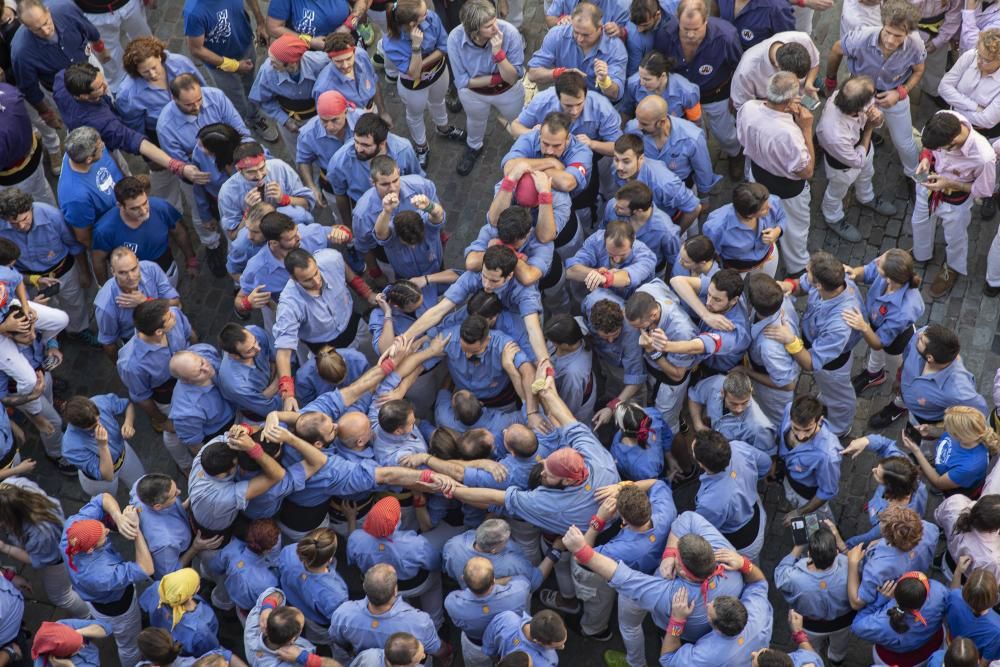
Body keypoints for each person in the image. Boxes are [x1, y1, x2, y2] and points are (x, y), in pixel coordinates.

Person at [764, 251, 864, 437]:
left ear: (819, 284)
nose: (805, 270)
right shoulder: (832, 281)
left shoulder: (839, 324)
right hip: (818, 348)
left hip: (831, 365)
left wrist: (790, 340)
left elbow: (811, 363)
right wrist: (789, 285)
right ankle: (827, 397)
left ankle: (840, 426)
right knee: (829, 390)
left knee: (840, 396)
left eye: (808, 271)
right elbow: (803, 284)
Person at [827, 0, 924, 179]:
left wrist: (901, 92)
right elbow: (837, 48)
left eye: (898, 36)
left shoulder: (915, 44)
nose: (889, 41)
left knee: (904, 142)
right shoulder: (861, 37)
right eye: (887, 32)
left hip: (894, 94)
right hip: (860, 94)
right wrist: (831, 81)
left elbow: (918, 70)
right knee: (854, 131)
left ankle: (914, 176)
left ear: (908, 33)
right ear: (882, 24)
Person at [653, 0, 745, 180]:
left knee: (726, 134)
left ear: (706, 21)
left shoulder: (726, 37)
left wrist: (737, 94)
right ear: (677, 20)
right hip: (684, 99)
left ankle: (735, 154)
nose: (690, 34)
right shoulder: (665, 34)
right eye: (685, 28)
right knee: (693, 135)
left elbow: (739, 67)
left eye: (696, 29)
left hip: (717, 94)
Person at [737, 71, 819, 272]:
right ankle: (797, 265)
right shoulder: (790, 133)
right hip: (787, 189)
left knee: (762, 217)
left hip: (756, 176)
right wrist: (806, 129)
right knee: (794, 229)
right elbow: (807, 171)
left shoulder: (748, 108)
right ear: (790, 100)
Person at [61, 493, 154, 667]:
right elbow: (146, 568)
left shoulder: (72, 529)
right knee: (129, 645)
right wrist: (135, 529)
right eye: (102, 535)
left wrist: (118, 517)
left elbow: (102, 497)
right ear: (89, 550)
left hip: (95, 599)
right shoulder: (101, 574)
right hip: (118, 609)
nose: (106, 530)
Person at [913, 111, 997, 298]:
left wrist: (951, 184)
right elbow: (929, 148)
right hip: (929, 187)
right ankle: (921, 252)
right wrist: (926, 158)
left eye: (942, 149)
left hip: (955, 200)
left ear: (953, 141)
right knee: (919, 223)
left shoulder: (984, 157)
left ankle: (952, 268)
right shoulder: (941, 118)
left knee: (955, 237)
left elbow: (983, 190)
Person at [0, 187, 93, 342]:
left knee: (75, 304)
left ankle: (78, 331)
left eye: (25, 219)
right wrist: (31, 279)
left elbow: (74, 245)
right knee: (39, 311)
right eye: (14, 223)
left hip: (63, 270)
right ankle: (50, 339)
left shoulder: (52, 216)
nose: (21, 226)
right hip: (27, 279)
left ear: (31, 208)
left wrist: (84, 271)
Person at [382, 0, 466, 168]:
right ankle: (421, 146)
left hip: (438, 73)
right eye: (423, 14)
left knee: (439, 101)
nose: (428, 14)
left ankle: (443, 128)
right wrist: (416, 47)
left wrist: (422, 63)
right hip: (414, 86)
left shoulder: (431, 18)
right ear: (412, 23)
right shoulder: (391, 42)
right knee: (415, 114)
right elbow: (413, 73)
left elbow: (444, 46)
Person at [868, 324, 989, 439]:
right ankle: (899, 408)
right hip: (905, 393)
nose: (918, 335)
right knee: (901, 401)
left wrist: (938, 431)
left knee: (920, 442)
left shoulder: (958, 390)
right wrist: (899, 378)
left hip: (924, 418)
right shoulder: (925, 334)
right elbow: (907, 356)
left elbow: (977, 415)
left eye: (921, 340)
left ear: (930, 358)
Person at [116, 299, 197, 471]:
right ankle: (185, 465)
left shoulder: (173, 312)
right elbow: (142, 397)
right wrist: (162, 421)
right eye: (169, 317)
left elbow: (190, 334)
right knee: (174, 433)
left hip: (192, 377)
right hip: (167, 395)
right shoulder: (131, 363)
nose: (174, 315)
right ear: (159, 331)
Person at [816, 76, 898, 241]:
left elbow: (877, 117)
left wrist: (877, 119)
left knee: (867, 174)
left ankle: (866, 197)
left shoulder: (850, 99)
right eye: (873, 94)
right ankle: (833, 218)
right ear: (858, 107)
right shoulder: (833, 133)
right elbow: (856, 161)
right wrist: (869, 129)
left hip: (863, 148)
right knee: (837, 191)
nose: (875, 97)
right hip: (843, 166)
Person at [448, 0, 525, 175]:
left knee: (519, 121)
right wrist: (496, 78)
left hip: (507, 91)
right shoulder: (455, 38)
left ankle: (525, 147)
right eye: (489, 26)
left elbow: (513, 77)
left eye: (494, 21)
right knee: (475, 121)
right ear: (474, 31)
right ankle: (474, 147)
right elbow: (461, 81)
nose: (496, 28)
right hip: (474, 94)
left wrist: (498, 54)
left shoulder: (510, 33)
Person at [181, 0, 275, 141]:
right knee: (235, 100)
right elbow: (196, 49)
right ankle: (239, 126)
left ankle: (254, 117)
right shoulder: (193, 12)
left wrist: (261, 22)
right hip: (221, 65)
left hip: (246, 45)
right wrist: (234, 66)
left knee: (252, 86)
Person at [0, 478, 90, 617]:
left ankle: (86, 614)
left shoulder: (40, 534)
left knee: (61, 596)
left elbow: (40, 559)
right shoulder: (13, 485)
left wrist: (5, 548)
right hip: (63, 539)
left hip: (57, 558)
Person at [9, 0, 104, 125]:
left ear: (48, 11)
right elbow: (29, 89)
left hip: (89, 65)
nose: (46, 31)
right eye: (37, 29)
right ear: (25, 26)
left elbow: (88, 28)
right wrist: (47, 114)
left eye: (46, 23)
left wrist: (101, 48)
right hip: (65, 91)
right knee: (84, 124)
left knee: (106, 98)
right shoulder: (21, 53)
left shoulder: (66, 8)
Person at [843, 249, 924, 395]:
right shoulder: (891, 270)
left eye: (880, 264)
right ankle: (874, 374)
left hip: (896, 344)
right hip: (877, 328)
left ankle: (903, 400)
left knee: (900, 372)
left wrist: (863, 327)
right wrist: (855, 273)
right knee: (876, 355)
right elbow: (868, 271)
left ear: (889, 278)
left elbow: (879, 342)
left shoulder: (903, 311)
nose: (876, 261)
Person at [328, 564, 447, 663]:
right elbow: (435, 648)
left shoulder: (342, 614)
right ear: (395, 590)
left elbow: (338, 641)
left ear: (364, 586)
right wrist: (447, 652)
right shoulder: (419, 621)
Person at [91, 176, 198, 286]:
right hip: (133, 282)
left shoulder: (161, 208)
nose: (143, 211)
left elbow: (179, 233)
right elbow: (98, 260)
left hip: (166, 268)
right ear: (120, 206)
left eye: (145, 203)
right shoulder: (104, 230)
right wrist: (105, 288)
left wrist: (191, 260)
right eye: (134, 208)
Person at [939, 31, 1000, 220]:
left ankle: (991, 193)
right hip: (956, 123)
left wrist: (957, 106)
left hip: (987, 135)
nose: (980, 62)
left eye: (987, 60)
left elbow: (988, 120)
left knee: (989, 167)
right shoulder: (970, 57)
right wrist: (974, 106)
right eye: (979, 55)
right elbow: (943, 87)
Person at [774, 527, 854, 666]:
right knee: (839, 646)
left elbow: (779, 574)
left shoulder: (793, 577)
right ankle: (836, 659)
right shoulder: (849, 565)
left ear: (809, 554)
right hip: (844, 621)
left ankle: (814, 660)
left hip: (810, 625)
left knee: (811, 648)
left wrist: (798, 548)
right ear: (836, 552)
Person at [690, 429, 770, 559]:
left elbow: (702, 529)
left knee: (748, 569)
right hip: (757, 512)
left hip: (744, 544)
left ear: (701, 464)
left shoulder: (710, 503)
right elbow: (765, 463)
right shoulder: (738, 447)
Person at [526, 2, 627, 102]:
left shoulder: (616, 48)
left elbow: (616, 94)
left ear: (600, 28)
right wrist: (559, 73)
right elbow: (532, 74)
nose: (580, 39)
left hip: (596, 106)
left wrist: (605, 81)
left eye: (586, 35)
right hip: (564, 99)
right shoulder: (557, 35)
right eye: (576, 32)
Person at [839, 434, 927, 548]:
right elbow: (886, 445)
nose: (873, 470)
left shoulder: (892, 520)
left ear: (890, 487)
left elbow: (869, 537)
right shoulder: (900, 466)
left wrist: (847, 545)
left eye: (877, 474)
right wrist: (866, 441)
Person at [624, 96, 719, 202]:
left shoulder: (692, 137)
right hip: (645, 190)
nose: (639, 126)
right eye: (638, 120)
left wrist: (704, 198)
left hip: (681, 192)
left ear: (662, 122)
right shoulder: (632, 129)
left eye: (644, 124)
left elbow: (703, 170)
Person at [94, 247, 179, 361]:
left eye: (134, 269)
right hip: (139, 345)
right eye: (123, 272)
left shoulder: (151, 269)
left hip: (167, 325)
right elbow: (109, 344)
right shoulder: (106, 306)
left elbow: (177, 304)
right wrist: (122, 368)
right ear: (113, 272)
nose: (131, 277)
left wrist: (146, 301)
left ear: (138, 263)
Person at [848, 505, 939, 609]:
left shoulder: (876, 569)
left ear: (888, 537)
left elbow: (857, 603)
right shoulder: (931, 529)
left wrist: (852, 564)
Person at [248, 34, 329, 150]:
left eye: (275, 62)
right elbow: (261, 100)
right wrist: (284, 120)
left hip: (321, 117)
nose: (270, 64)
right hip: (291, 122)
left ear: (292, 63)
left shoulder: (320, 62)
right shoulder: (268, 71)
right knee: (299, 153)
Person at [851, 571, 948, 666]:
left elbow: (856, 625)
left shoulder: (882, 623)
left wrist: (881, 599)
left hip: (897, 660)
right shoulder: (939, 591)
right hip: (934, 648)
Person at [606, 134, 700, 230]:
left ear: (641, 159)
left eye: (626, 161)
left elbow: (694, 208)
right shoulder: (617, 169)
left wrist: (676, 234)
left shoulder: (664, 183)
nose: (619, 167)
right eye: (616, 159)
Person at [742, 273, 800, 426]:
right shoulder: (781, 301)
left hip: (775, 394)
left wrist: (747, 372)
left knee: (777, 423)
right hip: (780, 366)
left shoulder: (769, 346)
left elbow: (788, 384)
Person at [776, 395, 843, 524]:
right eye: (796, 428)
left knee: (818, 524)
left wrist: (799, 512)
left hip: (808, 496)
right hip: (790, 480)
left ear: (820, 420)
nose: (801, 436)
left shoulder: (827, 455)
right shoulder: (789, 408)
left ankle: (820, 542)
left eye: (807, 430)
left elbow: (827, 490)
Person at [61, 393, 144, 497]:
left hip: (123, 455)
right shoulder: (71, 447)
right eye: (93, 426)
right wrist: (103, 446)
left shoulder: (100, 402)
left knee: (142, 484)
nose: (100, 424)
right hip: (99, 481)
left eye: (98, 418)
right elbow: (108, 476)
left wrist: (128, 423)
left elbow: (127, 405)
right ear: (79, 427)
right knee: (107, 505)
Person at [56, 127, 123, 247]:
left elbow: (112, 164)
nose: (103, 145)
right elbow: (84, 237)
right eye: (100, 147)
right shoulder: (75, 197)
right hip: (114, 232)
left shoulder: (86, 147)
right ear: (88, 159)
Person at [701, 182, 784, 277]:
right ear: (750, 215)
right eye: (764, 209)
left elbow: (782, 217)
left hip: (768, 256)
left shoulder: (770, 201)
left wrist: (777, 231)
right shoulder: (715, 227)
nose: (770, 206)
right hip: (736, 269)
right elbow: (712, 255)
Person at [688, 370, 776, 455]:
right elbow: (694, 396)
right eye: (734, 403)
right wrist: (698, 424)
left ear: (751, 393)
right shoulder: (716, 384)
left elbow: (769, 462)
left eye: (744, 402)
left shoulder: (760, 428)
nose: (739, 409)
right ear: (722, 393)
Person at [168, 346, 237, 453]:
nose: (207, 368)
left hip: (238, 407)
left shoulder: (204, 352)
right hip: (222, 430)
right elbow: (196, 446)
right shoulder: (186, 413)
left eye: (202, 362)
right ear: (186, 380)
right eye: (199, 373)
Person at [729, 31, 819, 111]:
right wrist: (777, 105)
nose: (797, 85)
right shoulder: (746, 72)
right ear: (778, 68)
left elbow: (815, 64)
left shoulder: (803, 39)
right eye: (794, 80)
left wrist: (809, 83)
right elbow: (743, 107)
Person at [139, 568, 220, 657]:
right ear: (190, 596)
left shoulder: (157, 588)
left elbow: (143, 605)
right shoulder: (201, 629)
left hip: (160, 638)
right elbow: (209, 653)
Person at [0, 81, 56, 208]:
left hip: (15, 176)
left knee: (21, 205)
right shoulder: (8, 92)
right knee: (43, 191)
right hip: (32, 153)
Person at [935, 494, 1000, 581]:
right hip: (963, 577)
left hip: (949, 555)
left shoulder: (956, 502)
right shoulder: (992, 559)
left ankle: (937, 562)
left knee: (942, 560)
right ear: (993, 529)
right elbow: (989, 580)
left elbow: (938, 517)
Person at [943, 566, 1000, 660]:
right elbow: (985, 662)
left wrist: (958, 571)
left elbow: (954, 592)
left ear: (964, 590)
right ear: (995, 599)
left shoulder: (955, 598)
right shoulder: (996, 630)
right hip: (971, 660)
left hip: (950, 643)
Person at [482, 610, 566, 666]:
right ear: (537, 641)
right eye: (555, 646)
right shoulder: (543, 663)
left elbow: (488, 644)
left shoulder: (506, 617)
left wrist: (493, 658)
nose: (562, 647)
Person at [29, 619, 113, 666]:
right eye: (77, 648)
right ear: (63, 654)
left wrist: (75, 633)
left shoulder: (62, 626)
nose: (83, 646)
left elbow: (106, 627)